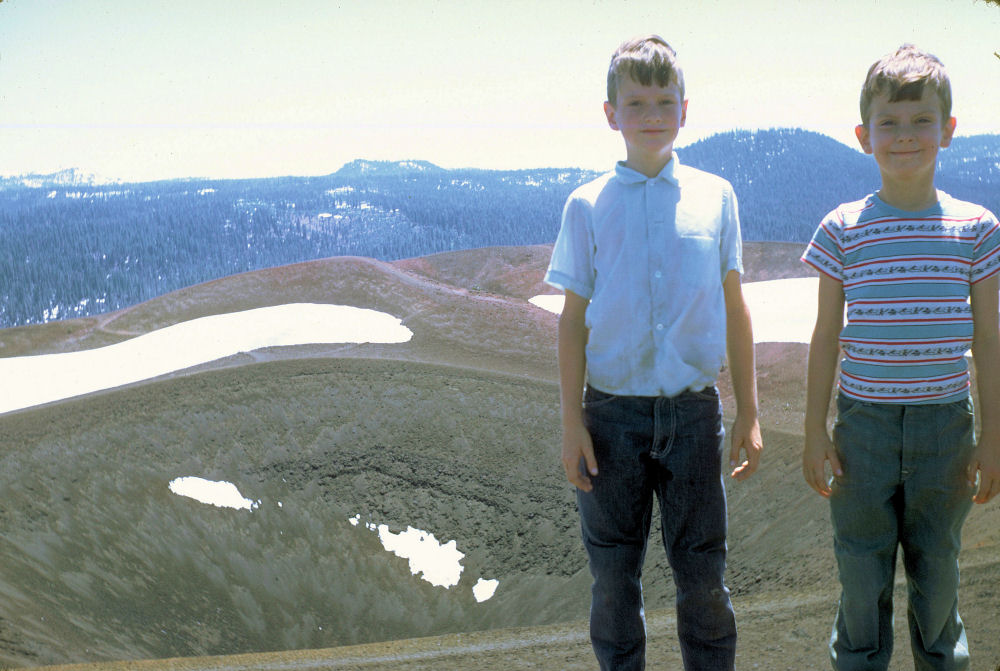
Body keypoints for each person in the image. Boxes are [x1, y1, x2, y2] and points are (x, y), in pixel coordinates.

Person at [545, 34, 763, 671]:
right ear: (610, 113)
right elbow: (572, 322)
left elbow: (735, 307)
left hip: (694, 415)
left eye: (663, 101)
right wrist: (571, 424)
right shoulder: (586, 206)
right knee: (614, 581)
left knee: (704, 580)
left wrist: (748, 413)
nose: (651, 115)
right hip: (610, 419)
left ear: (685, 109)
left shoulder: (716, 196)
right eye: (635, 103)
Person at [802, 43, 1000, 671]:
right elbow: (825, 338)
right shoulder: (841, 227)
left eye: (921, 120)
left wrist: (993, 437)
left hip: (947, 426)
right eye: (888, 121)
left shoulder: (978, 229)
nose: (905, 135)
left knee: (938, 570)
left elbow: (990, 340)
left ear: (948, 130)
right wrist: (813, 432)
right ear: (864, 136)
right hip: (862, 428)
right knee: (860, 574)